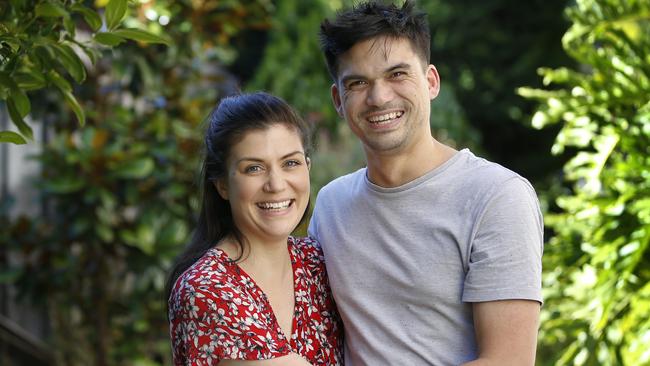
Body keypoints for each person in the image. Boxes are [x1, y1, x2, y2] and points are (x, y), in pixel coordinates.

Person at [308, 1, 544, 365]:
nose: (379, 97)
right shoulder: (331, 205)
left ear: (431, 81)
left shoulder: (496, 196)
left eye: (397, 74)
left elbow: (508, 360)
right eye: (358, 83)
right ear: (339, 100)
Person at [166, 92, 343, 366]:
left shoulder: (318, 262)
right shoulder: (206, 289)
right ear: (222, 184)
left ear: (307, 168)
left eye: (290, 163)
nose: (276, 184)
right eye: (254, 168)